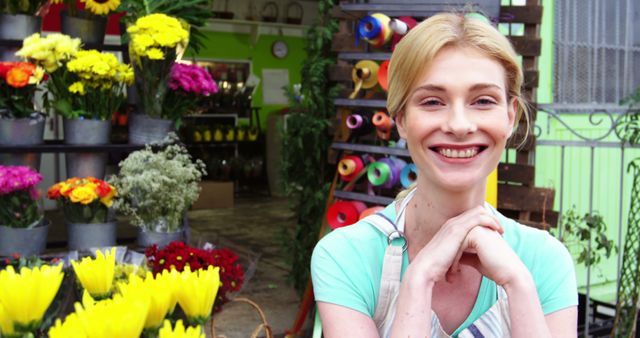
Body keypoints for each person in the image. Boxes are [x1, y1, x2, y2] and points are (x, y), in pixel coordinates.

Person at [311, 12, 578, 338]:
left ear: (510, 117)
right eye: (433, 101)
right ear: (401, 120)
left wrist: (518, 284)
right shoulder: (346, 257)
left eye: (482, 100)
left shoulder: (544, 261)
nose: (459, 125)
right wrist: (419, 278)